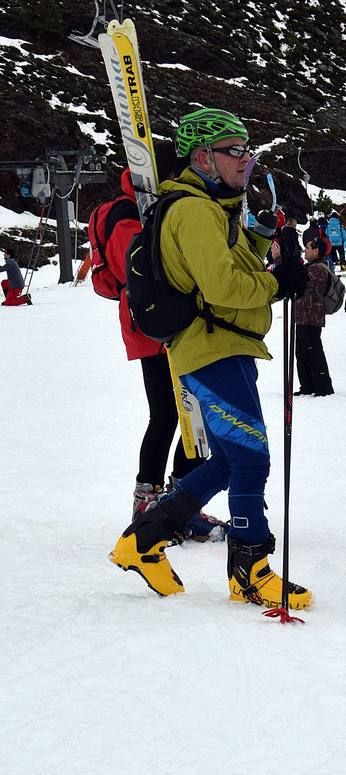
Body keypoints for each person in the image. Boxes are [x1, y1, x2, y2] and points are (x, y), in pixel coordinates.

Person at [108, 107, 312, 610]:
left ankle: (143, 539)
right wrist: (277, 283)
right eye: (234, 151)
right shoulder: (194, 210)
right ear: (203, 157)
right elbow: (222, 286)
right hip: (211, 345)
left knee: (224, 460)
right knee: (250, 458)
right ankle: (250, 568)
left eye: (248, 150)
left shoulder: (212, 207)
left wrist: (263, 235)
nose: (246, 161)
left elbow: (230, 264)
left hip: (224, 344)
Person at [87, 167, 224, 540]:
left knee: (184, 416)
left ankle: (176, 501)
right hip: (154, 325)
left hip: (159, 323)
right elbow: (135, 269)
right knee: (174, 414)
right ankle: (161, 504)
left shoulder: (142, 208)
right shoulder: (128, 213)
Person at [294, 238, 335, 396]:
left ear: (316, 250)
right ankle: (307, 385)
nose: (305, 250)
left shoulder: (318, 269)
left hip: (311, 316)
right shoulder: (312, 267)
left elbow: (301, 283)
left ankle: (323, 386)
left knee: (313, 351)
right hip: (304, 315)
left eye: (308, 248)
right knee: (302, 352)